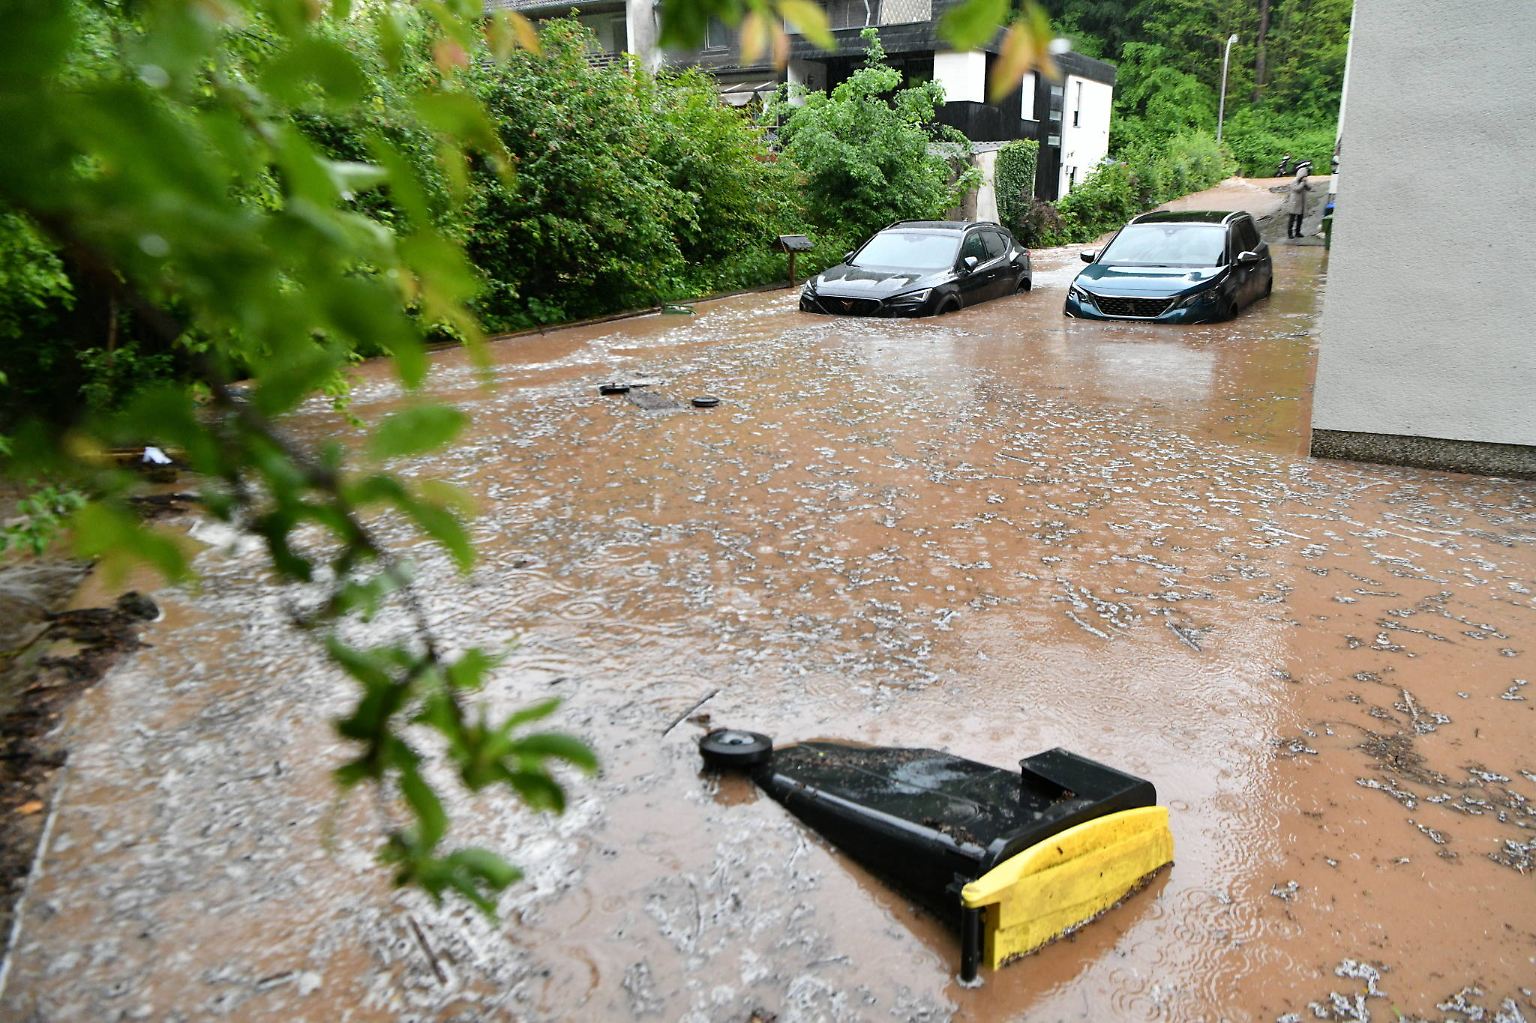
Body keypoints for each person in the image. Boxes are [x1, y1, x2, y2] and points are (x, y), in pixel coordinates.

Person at [1284, 166, 1312, 239]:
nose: (1305, 177)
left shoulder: (1304, 181)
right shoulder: (1294, 181)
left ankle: (1297, 232)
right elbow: (1297, 189)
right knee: (1292, 219)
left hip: (1301, 203)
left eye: (1306, 176)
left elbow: (1309, 188)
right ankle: (1290, 233)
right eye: (1304, 175)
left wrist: (1306, 183)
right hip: (1294, 203)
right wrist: (1303, 183)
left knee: (1300, 219)